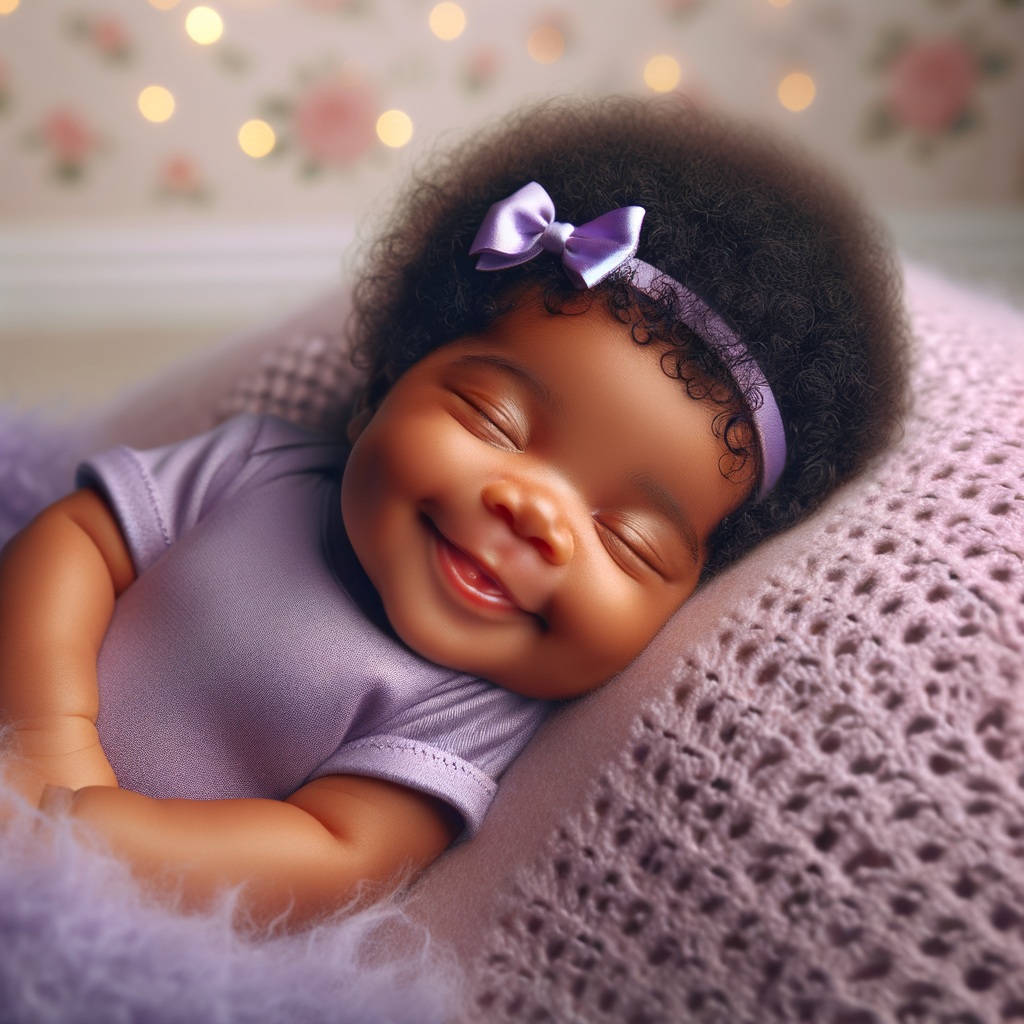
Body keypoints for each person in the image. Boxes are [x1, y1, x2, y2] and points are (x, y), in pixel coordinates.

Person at [0, 97, 907, 928]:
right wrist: (46, 736)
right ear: (383, 387)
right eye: (493, 421)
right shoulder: (263, 464)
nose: (536, 515)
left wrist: (86, 841)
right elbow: (74, 539)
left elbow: (334, 857)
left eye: (627, 539)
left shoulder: (469, 709)